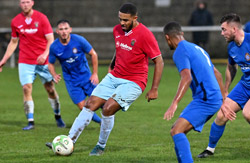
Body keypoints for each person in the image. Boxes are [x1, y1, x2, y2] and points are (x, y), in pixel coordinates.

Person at [46, 2, 164, 155]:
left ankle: (100, 146)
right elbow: (119, 50)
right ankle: (68, 141)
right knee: (89, 104)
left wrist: (154, 89)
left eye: (126, 20)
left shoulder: (145, 34)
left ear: (135, 18)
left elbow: (159, 60)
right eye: (120, 19)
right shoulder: (117, 30)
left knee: (108, 108)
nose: (122, 23)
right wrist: (111, 66)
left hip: (134, 81)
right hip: (114, 76)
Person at [163, 21, 224, 162]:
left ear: (167, 38)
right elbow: (217, 74)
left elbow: (186, 77)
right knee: (177, 131)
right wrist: (224, 99)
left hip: (206, 99)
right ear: (181, 34)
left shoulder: (180, 51)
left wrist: (174, 103)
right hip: (211, 97)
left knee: (176, 131)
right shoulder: (198, 48)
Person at [0, 0, 65, 130]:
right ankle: (30, 121)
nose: (25, 4)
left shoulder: (42, 18)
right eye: (22, 2)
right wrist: (4, 59)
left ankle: (57, 115)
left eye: (27, 2)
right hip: (25, 60)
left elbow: (50, 40)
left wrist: (45, 54)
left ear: (32, 3)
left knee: (50, 89)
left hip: (43, 61)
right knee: (26, 88)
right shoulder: (16, 21)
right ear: (20, 4)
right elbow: (13, 42)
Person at [198, 13, 250, 158]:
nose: (222, 33)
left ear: (234, 29)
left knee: (248, 113)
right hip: (245, 85)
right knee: (222, 114)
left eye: (223, 29)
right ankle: (210, 149)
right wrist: (226, 90)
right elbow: (231, 68)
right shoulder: (232, 48)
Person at [48, 19, 101, 123]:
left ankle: (108, 120)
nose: (64, 31)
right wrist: (54, 74)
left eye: (66, 29)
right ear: (57, 31)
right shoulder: (54, 47)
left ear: (70, 30)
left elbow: (93, 54)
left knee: (100, 102)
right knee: (83, 107)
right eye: (61, 29)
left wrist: (95, 73)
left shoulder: (79, 40)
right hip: (71, 81)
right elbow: (50, 63)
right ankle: (101, 122)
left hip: (86, 77)